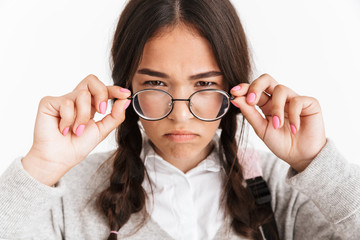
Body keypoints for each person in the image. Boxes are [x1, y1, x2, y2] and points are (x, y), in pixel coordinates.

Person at [0, 0, 359, 239]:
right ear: (125, 86)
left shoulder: (285, 191)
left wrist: (316, 162)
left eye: (204, 84)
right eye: (156, 84)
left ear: (236, 89)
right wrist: (42, 167)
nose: (181, 114)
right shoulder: (68, 195)